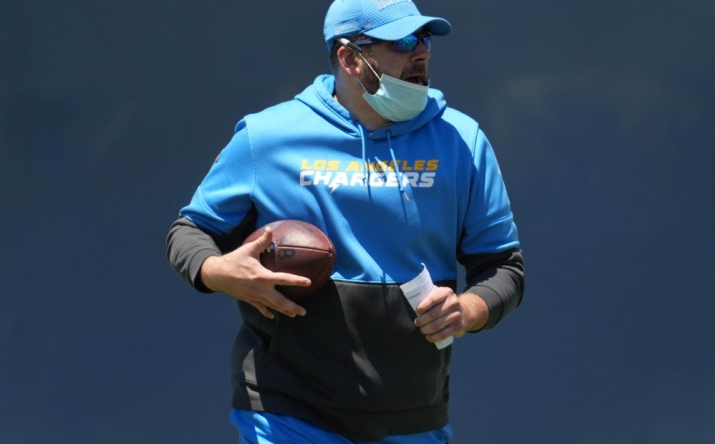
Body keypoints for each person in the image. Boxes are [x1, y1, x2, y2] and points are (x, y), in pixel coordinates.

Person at [166, 0, 525, 442]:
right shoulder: (266, 136)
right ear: (350, 58)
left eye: (425, 39)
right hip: (287, 413)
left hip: (412, 415)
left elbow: (505, 268)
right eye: (403, 42)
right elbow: (190, 231)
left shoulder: (462, 141)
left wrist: (467, 310)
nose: (422, 53)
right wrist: (219, 271)